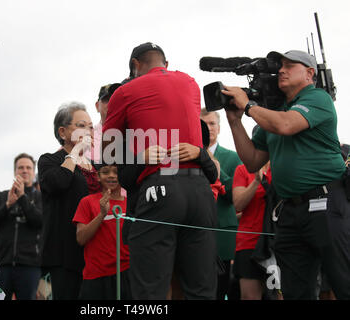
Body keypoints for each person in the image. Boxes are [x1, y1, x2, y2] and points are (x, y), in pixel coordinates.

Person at [222, 50, 349, 299]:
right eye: (280, 65)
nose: (281, 70)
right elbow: (252, 161)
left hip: (326, 203)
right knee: (294, 291)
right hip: (290, 211)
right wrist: (235, 121)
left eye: (290, 65)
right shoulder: (277, 110)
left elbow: (286, 125)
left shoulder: (317, 98)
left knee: (343, 281)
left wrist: (248, 106)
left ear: (310, 73)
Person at [102, 42, 217, 299]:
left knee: (149, 292)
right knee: (201, 290)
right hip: (200, 191)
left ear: (135, 65)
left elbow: (107, 150)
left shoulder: (126, 91)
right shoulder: (190, 82)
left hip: (159, 189)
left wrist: (136, 154)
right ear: (165, 64)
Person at [38, 102, 101, 300]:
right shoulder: (50, 160)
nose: (89, 131)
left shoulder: (98, 166)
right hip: (65, 252)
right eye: (82, 125)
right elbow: (59, 182)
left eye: (91, 126)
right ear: (63, 132)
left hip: (96, 250)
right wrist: (75, 152)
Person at [0, 153, 43, 300]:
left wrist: (22, 198)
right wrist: (7, 205)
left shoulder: (40, 198)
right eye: (20, 167)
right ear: (15, 171)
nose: (24, 170)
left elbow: (39, 222)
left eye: (28, 167)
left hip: (29, 265)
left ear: (33, 172)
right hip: (2, 265)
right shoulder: (1, 197)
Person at [73, 164, 131, 299]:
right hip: (96, 275)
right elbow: (80, 238)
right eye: (105, 172)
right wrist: (102, 214)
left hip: (126, 273)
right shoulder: (87, 202)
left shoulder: (132, 204)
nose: (111, 175)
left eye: (116, 172)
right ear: (98, 177)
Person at [202, 108, 242, 300]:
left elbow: (235, 196)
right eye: (204, 124)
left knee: (222, 289)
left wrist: (214, 167)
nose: (208, 128)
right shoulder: (186, 156)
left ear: (219, 128)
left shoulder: (233, 157)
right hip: (194, 233)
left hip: (223, 235)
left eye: (212, 124)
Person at [232, 161, 272, 299]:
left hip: (278, 241)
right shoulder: (243, 169)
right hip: (250, 243)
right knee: (250, 297)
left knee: (281, 293)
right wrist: (256, 182)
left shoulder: (283, 166)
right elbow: (238, 204)